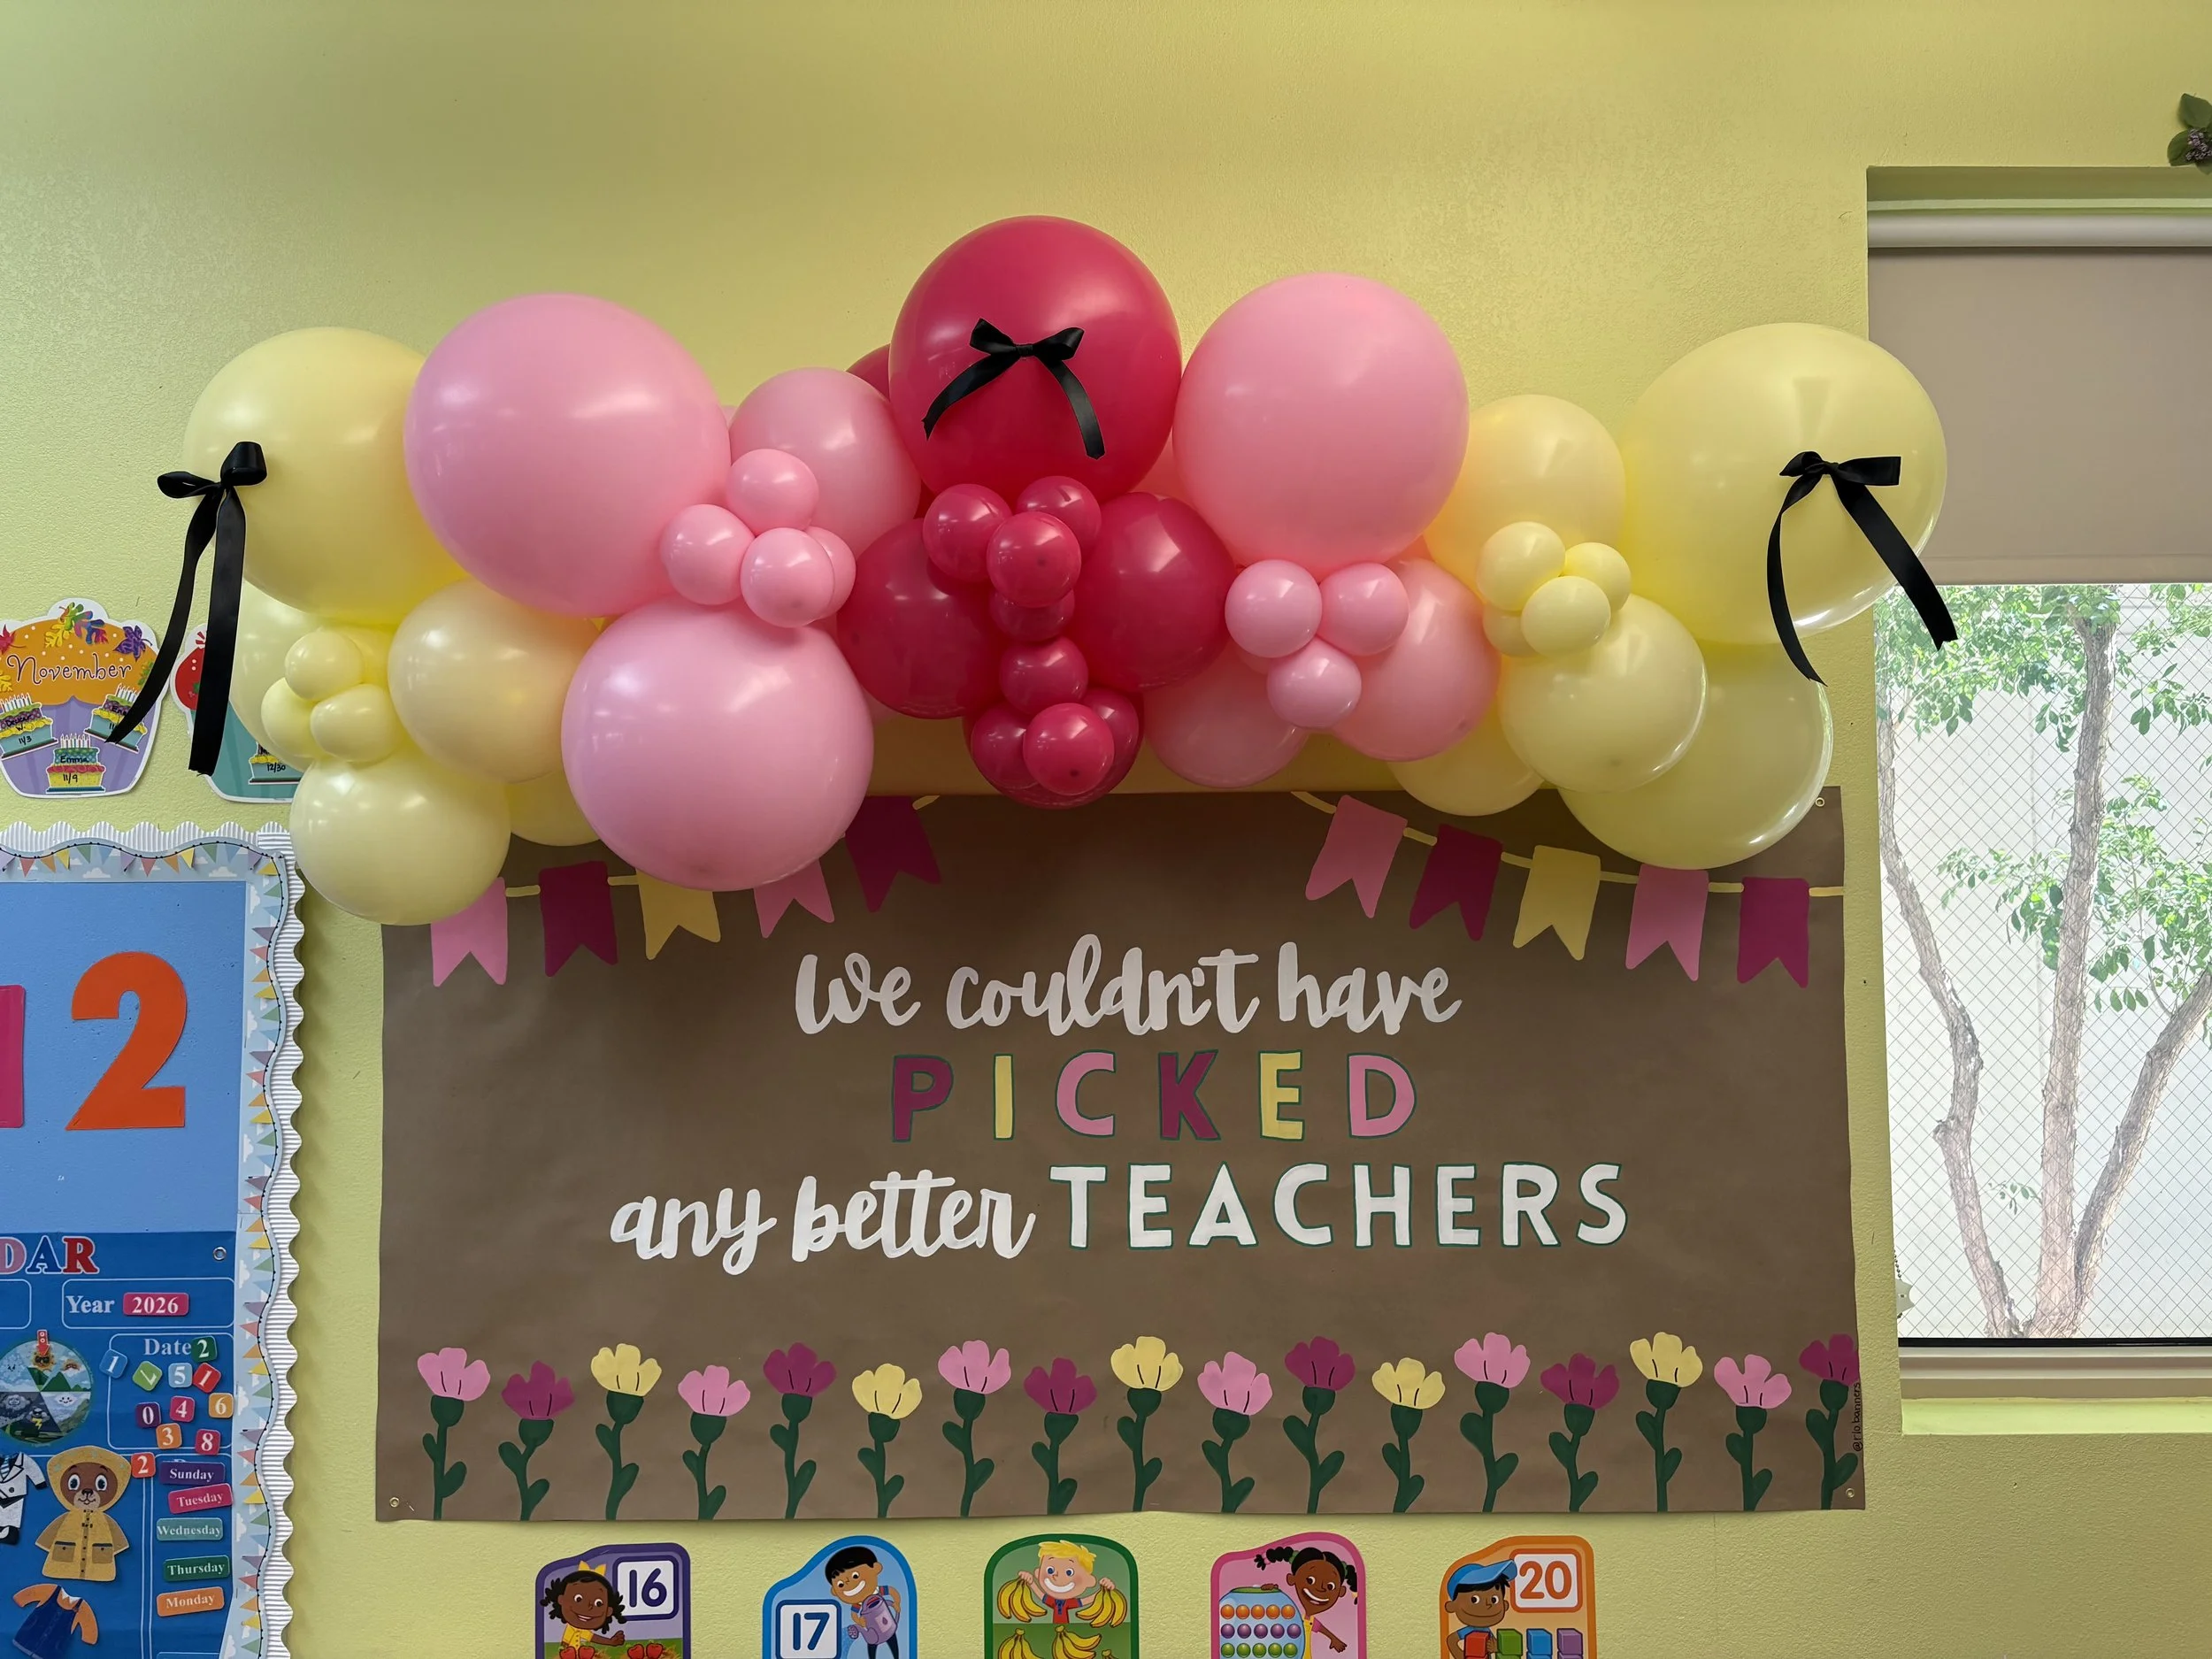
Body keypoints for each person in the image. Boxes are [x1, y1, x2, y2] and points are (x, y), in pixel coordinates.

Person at [32, 1448, 129, 1584]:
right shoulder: (65, 1519)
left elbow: (120, 1545)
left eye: (101, 1484)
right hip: (63, 1567)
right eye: (74, 1483)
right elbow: (46, 1541)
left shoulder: (106, 1521)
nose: (87, 1492)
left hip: (98, 1570)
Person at [1256, 1545, 1358, 1653]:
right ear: (1292, 1579)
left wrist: (1334, 1639)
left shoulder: (1308, 1620)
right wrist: (1270, 1593)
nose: (1320, 1589)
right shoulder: (1288, 1613)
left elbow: (1318, 1627)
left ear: (1341, 1592)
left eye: (1330, 1587)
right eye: (1310, 1580)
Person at [824, 1544, 902, 1658]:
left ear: (876, 1568)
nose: (849, 1584)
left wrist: (896, 1603)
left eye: (855, 1576)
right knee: (872, 1644)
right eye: (841, 1584)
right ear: (835, 1591)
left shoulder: (877, 1591)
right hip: (873, 1631)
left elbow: (892, 1591)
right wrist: (860, 1622)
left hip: (888, 1627)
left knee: (892, 1643)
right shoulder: (858, 1604)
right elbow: (854, 1614)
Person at [541, 1563, 626, 1653]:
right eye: (578, 1599)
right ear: (561, 1599)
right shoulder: (571, 1628)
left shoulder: (582, 1630)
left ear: (609, 1610)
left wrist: (610, 1642)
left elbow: (592, 1637)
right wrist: (563, 1652)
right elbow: (565, 1642)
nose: (588, 1607)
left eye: (599, 1603)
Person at [1443, 1558, 1515, 1659]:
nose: (1488, 1605)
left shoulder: (1487, 1631)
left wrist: (1495, 1648)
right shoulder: (1469, 1631)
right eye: (1474, 1600)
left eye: (1494, 1600)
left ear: (1505, 1605)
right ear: (1452, 1606)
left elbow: (1495, 1647)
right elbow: (1451, 1640)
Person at [11, 1584, 98, 1659]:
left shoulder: (82, 1607)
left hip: (49, 1652)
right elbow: (30, 1593)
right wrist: (21, 1598)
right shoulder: (51, 1590)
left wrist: (89, 1637)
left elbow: (89, 1624)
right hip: (25, 1639)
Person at [0, 1453, 47, 1547]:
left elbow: (33, 1469)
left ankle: (9, 1534)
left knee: (12, 1518)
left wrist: (40, 1483)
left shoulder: (23, 1459)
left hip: (15, 1496)